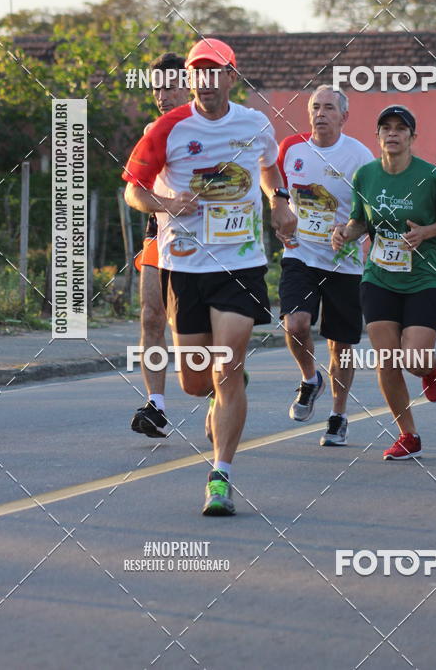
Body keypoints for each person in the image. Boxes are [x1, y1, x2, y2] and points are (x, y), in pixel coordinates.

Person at [123, 38, 295, 515]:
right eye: (198, 72)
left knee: (228, 366)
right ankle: (218, 392)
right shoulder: (168, 128)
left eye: (215, 71)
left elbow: (269, 169)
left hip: (239, 263)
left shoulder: (254, 124)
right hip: (184, 266)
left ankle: (221, 476)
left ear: (231, 77)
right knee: (196, 383)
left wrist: (279, 204)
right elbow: (134, 191)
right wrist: (167, 203)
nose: (206, 81)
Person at [332, 105, 436, 460]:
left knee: (414, 360)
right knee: (387, 359)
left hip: (424, 277)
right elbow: (360, 221)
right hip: (379, 277)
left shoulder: (430, 176)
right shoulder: (365, 176)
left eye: (400, 128)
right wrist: (345, 232)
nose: (393, 133)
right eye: (386, 128)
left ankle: (429, 368)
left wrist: (425, 232)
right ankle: (408, 435)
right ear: (377, 136)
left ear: (411, 137)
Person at [278, 85, 374, 445]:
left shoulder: (360, 157)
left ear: (344, 116)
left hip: (343, 264)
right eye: (315, 107)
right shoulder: (292, 149)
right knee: (296, 324)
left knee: (340, 346)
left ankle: (338, 415)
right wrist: (279, 218)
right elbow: (276, 193)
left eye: (329, 108)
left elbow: (371, 214)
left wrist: (349, 231)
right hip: (300, 255)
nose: (321, 114)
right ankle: (309, 379)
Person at [130, 53, 188, 438]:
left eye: (170, 87)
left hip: (209, 237)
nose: (162, 96)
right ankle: (156, 406)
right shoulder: (153, 130)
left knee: (189, 328)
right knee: (151, 315)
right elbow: (136, 188)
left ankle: (222, 383)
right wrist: (165, 204)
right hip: (161, 230)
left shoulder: (213, 126)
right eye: (156, 89)